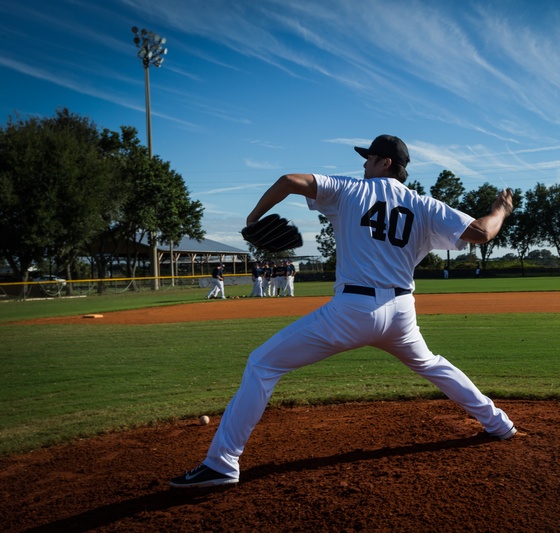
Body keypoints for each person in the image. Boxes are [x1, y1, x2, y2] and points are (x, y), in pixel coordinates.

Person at [171, 134, 516, 489]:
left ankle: (222, 462)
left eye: (369, 158)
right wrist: (500, 209)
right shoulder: (424, 205)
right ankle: (499, 423)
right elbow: (481, 232)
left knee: (262, 364)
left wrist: (253, 217)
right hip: (400, 313)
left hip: (352, 311)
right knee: (431, 364)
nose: (364, 164)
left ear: (385, 163)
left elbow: (290, 181)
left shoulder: (349, 190)